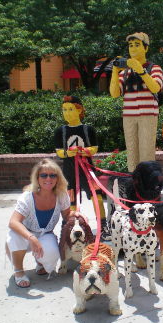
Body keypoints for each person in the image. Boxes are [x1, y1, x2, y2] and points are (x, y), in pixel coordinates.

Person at [5, 159, 73, 288]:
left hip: (45, 234)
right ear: (37, 178)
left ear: (58, 178)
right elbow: (13, 222)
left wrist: (76, 215)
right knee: (14, 237)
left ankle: (40, 262)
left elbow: (67, 215)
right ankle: (18, 271)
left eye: (53, 175)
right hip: (24, 234)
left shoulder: (62, 195)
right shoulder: (27, 197)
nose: (48, 178)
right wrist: (31, 238)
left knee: (52, 254)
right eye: (43, 175)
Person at [53, 96, 109, 241]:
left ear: (79, 110)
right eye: (64, 110)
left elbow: (95, 148)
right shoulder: (61, 131)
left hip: (88, 170)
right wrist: (67, 153)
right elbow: (59, 151)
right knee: (70, 202)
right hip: (69, 171)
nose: (67, 113)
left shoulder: (88, 129)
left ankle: (103, 227)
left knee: (97, 198)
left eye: (70, 109)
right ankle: (69, 227)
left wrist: (85, 151)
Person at [109, 32, 163, 172]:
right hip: (129, 116)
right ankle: (134, 183)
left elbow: (156, 87)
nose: (132, 48)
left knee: (146, 152)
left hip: (148, 115)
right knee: (132, 152)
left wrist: (142, 71)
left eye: (137, 45)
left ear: (146, 48)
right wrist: (115, 71)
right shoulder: (124, 72)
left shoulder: (154, 68)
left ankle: (148, 184)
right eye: (130, 45)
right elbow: (114, 93)